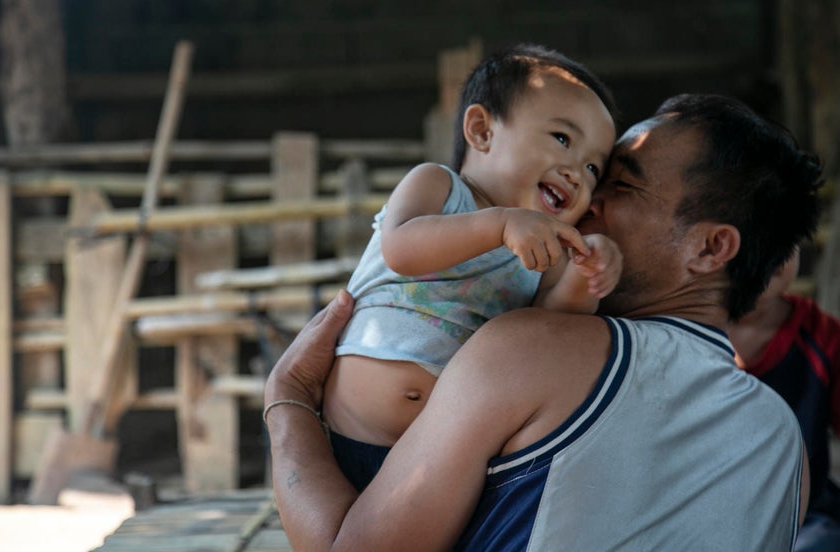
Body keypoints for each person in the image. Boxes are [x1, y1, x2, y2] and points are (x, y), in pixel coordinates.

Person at [263, 93, 822, 550]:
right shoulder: (783, 447)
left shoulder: (530, 348)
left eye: (618, 186)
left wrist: (287, 403)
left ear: (709, 248)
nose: (583, 202)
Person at [324, 44, 621, 490]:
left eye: (594, 167)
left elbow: (553, 324)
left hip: (442, 462)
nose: (578, 173)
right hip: (350, 433)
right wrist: (499, 224)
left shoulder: (547, 254)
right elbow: (401, 248)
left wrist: (588, 270)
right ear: (481, 131)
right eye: (562, 139)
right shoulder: (439, 187)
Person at [727, 247, 840, 551]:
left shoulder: (823, 337)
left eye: (789, 231)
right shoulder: (670, 331)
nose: (777, 245)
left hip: (803, 520)